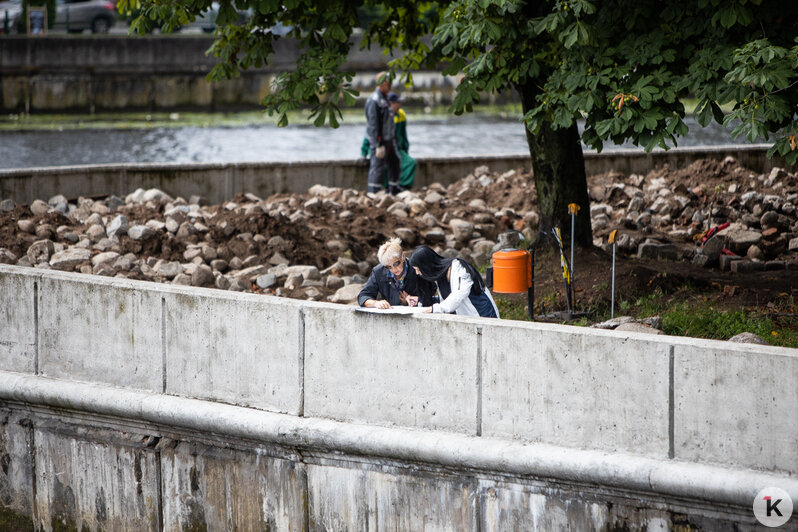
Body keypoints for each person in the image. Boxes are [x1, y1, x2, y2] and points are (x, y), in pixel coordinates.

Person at [408, 246, 500, 318]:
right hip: (469, 323)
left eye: (418, 269)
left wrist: (435, 308)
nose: (417, 273)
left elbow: (459, 295)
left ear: (427, 266)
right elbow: (447, 301)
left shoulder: (458, 267)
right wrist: (420, 300)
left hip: (484, 317)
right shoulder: (441, 277)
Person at [361, 92, 416, 190]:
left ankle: (401, 186)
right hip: (380, 147)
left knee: (409, 162)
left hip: (395, 148)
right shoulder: (382, 113)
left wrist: (405, 150)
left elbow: (403, 136)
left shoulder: (401, 115)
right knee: (382, 165)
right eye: (397, 103)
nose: (399, 105)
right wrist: (364, 153)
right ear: (390, 103)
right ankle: (382, 188)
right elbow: (370, 133)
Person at [358, 238, 436, 309]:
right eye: (388, 267)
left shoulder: (416, 269)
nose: (394, 269)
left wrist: (415, 300)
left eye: (396, 264)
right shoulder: (378, 271)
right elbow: (362, 296)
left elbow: (432, 292)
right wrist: (376, 303)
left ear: (403, 256)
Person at [364, 71, 401, 195]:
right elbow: (373, 124)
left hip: (389, 139)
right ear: (381, 83)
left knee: (395, 162)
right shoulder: (374, 100)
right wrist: (378, 143)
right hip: (380, 141)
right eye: (388, 83)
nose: (390, 85)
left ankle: (394, 189)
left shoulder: (386, 98)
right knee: (377, 167)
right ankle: (373, 192)